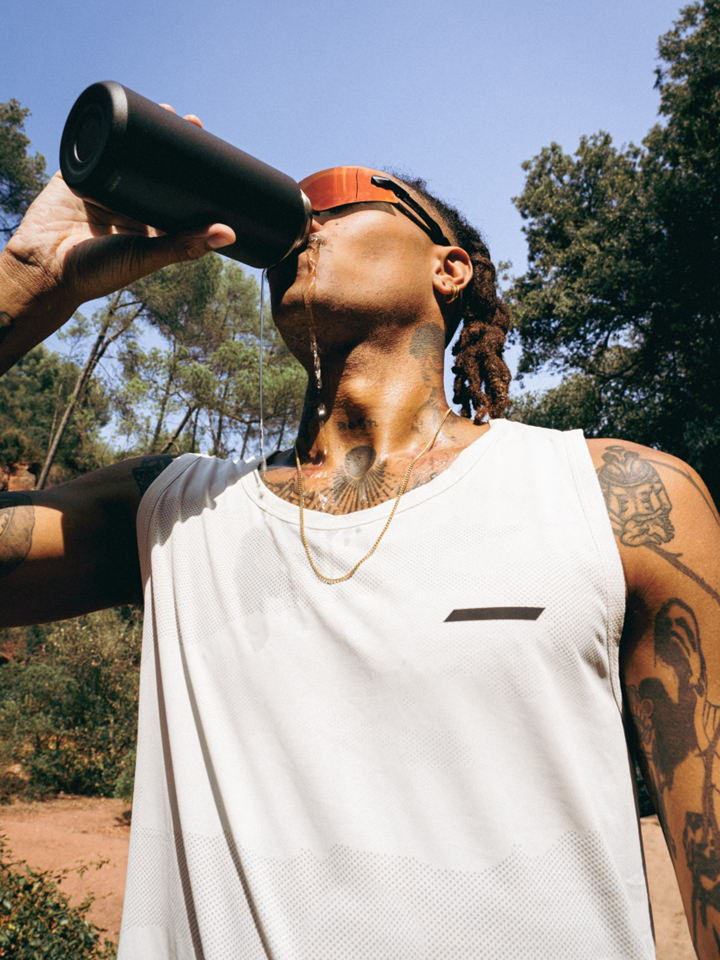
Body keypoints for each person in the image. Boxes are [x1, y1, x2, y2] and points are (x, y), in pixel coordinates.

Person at [0, 110, 719, 960]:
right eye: (294, 204)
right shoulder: (170, 512)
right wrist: (25, 278)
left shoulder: (615, 497)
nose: (305, 217)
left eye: (336, 196)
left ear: (448, 267)